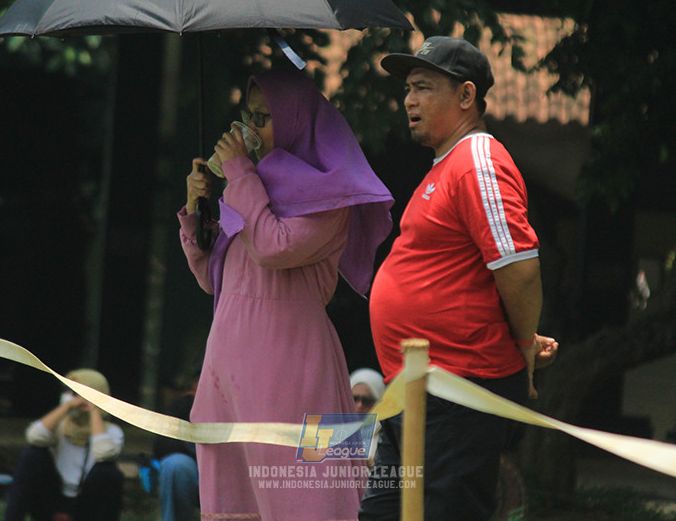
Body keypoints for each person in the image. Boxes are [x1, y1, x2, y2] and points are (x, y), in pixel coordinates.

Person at [180, 68, 393, 520]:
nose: (251, 128)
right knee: (232, 501)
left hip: (293, 362)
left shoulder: (330, 193)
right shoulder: (253, 184)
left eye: (264, 117)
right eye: (248, 114)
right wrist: (197, 210)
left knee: (307, 499)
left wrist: (238, 173)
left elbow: (273, 247)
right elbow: (214, 279)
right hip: (228, 362)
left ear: (296, 121)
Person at [361, 36, 558, 521]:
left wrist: (523, 342)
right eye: (407, 88)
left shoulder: (478, 160)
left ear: (466, 97)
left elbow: (520, 268)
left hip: (456, 391)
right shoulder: (447, 165)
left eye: (424, 87)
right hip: (417, 390)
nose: (409, 100)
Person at [3, 370, 124, 521]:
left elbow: (103, 453)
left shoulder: (112, 431)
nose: (72, 397)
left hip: (85, 505)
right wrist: (66, 407)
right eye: (69, 391)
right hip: (53, 499)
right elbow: (34, 437)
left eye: (77, 392)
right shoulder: (59, 425)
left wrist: (94, 409)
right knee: (32, 455)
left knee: (108, 472)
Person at [153, 390, 198, 521]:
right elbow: (161, 444)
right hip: (193, 467)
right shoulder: (184, 405)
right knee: (175, 465)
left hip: (230, 467)